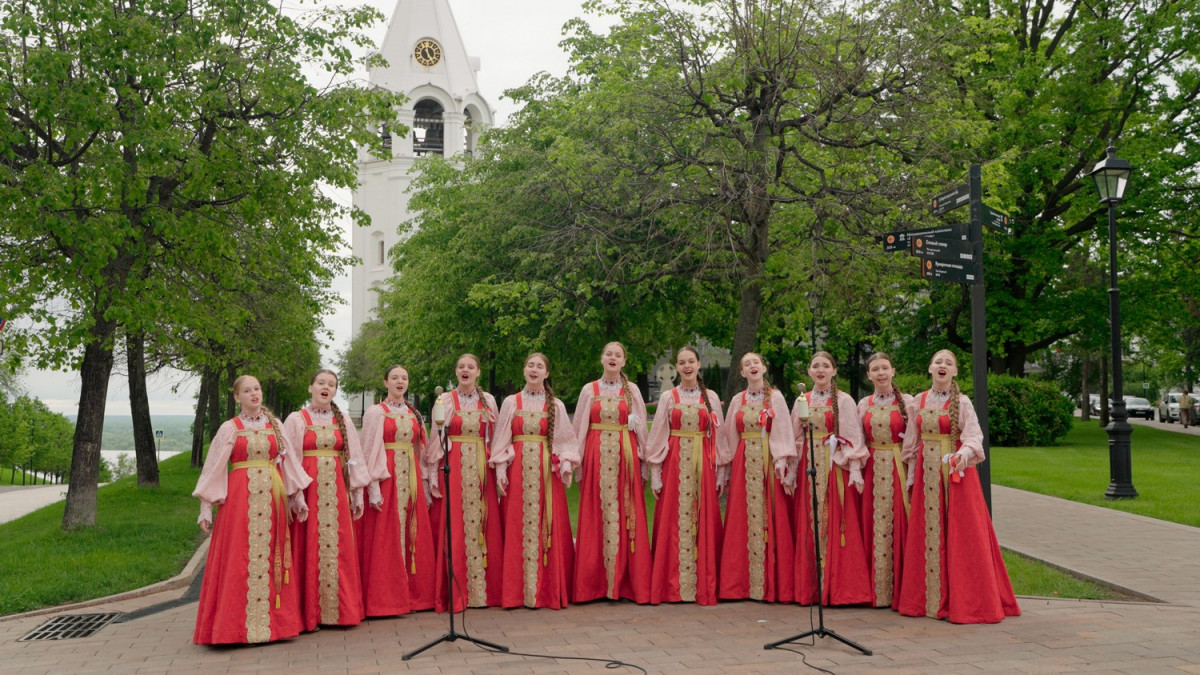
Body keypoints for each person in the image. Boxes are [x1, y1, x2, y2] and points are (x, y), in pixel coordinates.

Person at [897, 349, 1020, 623]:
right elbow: (912, 444)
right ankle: (927, 600)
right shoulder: (918, 401)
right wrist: (912, 476)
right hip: (927, 481)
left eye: (948, 363)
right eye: (938, 362)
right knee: (927, 535)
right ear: (930, 368)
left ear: (954, 372)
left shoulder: (962, 402)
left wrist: (962, 455)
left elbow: (975, 436)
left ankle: (964, 601)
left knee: (961, 537)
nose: (943, 366)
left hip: (955, 478)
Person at [193, 375, 307, 644]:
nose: (254, 394)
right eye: (247, 391)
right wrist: (205, 507)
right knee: (238, 556)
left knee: (272, 555)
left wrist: (297, 497)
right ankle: (233, 628)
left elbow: (289, 463)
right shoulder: (229, 428)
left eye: (256, 389)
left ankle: (275, 627)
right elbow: (214, 469)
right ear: (236, 397)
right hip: (239, 500)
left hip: (272, 498)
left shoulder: (276, 425)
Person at [489, 353, 579, 609]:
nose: (534, 369)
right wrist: (502, 470)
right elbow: (502, 439)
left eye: (539, 366)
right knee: (517, 526)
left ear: (547, 373)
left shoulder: (557, 406)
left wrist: (565, 464)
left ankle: (546, 591)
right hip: (518, 473)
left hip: (546, 476)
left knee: (546, 525)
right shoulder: (510, 402)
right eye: (530, 365)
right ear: (523, 369)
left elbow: (566, 441)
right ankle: (516, 593)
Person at [283, 369, 370, 631]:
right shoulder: (297, 419)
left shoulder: (341, 418)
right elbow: (289, 459)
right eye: (321, 383)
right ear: (310, 387)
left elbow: (354, 455)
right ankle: (309, 613)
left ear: (335, 391)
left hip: (336, 493)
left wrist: (357, 492)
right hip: (309, 491)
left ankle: (339, 611)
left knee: (339, 547)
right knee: (308, 547)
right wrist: (296, 495)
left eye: (331, 384)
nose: (326, 387)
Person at [572, 341, 652, 604]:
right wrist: (578, 462)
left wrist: (644, 460)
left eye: (618, 355)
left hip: (624, 459)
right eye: (609, 353)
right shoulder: (589, 390)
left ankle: (626, 583)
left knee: (625, 514)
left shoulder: (632, 390)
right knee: (597, 513)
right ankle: (594, 584)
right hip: (596, 457)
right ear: (601, 358)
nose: (613, 358)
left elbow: (640, 427)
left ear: (624, 361)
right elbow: (579, 428)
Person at [422, 353, 504, 611]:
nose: (465, 370)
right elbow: (436, 436)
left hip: (481, 467)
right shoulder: (445, 400)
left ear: (478, 372)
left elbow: (496, 435)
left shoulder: (488, 400)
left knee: (484, 520)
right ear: (456, 372)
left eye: (470, 366)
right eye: (461, 367)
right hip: (454, 465)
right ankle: (457, 590)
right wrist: (434, 469)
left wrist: (497, 466)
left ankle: (485, 592)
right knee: (454, 524)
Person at [645, 347, 726, 605]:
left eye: (691, 361)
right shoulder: (669, 396)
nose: (687, 366)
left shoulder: (711, 397)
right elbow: (658, 433)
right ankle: (672, 586)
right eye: (682, 362)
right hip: (675, 464)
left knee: (703, 518)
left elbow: (719, 437)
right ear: (677, 367)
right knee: (673, 521)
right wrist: (656, 474)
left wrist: (720, 473)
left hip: (703, 465)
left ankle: (702, 583)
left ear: (699, 364)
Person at [791, 351, 872, 606]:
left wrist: (854, 467)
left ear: (834, 371)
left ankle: (840, 589)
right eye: (816, 366)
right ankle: (811, 588)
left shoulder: (844, 400)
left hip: (835, 466)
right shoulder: (801, 400)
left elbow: (853, 437)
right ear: (809, 371)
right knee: (810, 522)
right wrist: (791, 469)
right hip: (809, 466)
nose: (821, 370)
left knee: (838, 524)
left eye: (826, 366)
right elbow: (795, 437)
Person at [356, 365, 436, 615]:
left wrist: (423, 483)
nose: (400, 382)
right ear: (385, 382)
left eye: (404, 378)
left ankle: (414, 595)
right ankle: (387, 599)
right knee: (387, 533)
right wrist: (373, 487)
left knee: (411, 531)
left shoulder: (414, 414)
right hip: (387, 476)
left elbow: (420, 450)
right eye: (394, 378)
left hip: (409, 477)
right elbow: (368, 449)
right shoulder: (376, 412)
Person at [718, 352, 797, 602]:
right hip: (743, 462)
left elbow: (784, 429)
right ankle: (740, 584)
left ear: (763, 368)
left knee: (770, 516)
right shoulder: (736, 400)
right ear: (742, 373)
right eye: (746, 364)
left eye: (756, 362)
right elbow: (730, 435)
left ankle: (771, 584)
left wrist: (782, 460)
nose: (752, 366)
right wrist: (725, 470)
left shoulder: (775, 397)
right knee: (741, 517)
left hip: (767, 461)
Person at [857, 352, 912, 609]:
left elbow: (916, 439)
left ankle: (900, 589)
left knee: (900, 523)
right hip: (871, 469)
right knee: (872, 523)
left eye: (884, 368)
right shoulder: (863, 403)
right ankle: (874, 590)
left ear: (893, 371)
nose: (880, 373)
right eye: (875, 369)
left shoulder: (908, 402)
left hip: (898, 466)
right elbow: (857, 439)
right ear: (869, 375)